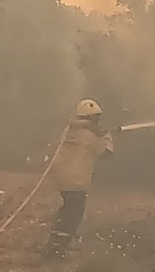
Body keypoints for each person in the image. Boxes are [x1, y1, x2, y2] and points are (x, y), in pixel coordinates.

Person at [47, 98, 115, 256]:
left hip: (61, 177)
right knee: (73, 213)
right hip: (77, 180)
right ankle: (56, 249)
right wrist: (106, 136)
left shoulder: (69, 129)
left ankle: (55, 242)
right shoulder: (91, 135)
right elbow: (107, 153)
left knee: (67, 209)